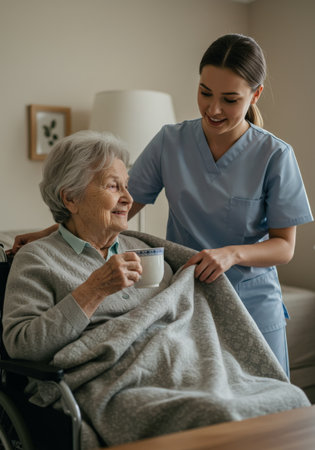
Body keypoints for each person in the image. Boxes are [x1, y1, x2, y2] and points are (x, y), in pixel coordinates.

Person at [10, 34, 313, 377]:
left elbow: (284, 247)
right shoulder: (172, 142)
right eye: (205, 93)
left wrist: (232, 254)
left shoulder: (275, 155)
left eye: (229, 99)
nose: (213, 109)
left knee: (271, 412)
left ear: (254, 95)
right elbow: (113, 209)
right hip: (187, 301)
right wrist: (49, 233)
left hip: (252, 303)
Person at [3, 130, 311, 449]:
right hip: (113, 383)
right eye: (113, 186)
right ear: (71, 198)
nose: (127, 197)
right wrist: (93, 290)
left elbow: (181, 318)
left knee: (288, 399)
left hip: (187, 369)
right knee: (218, 415)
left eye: (126, 185)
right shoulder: (37, 259)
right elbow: (22, 345)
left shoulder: (143, 250)